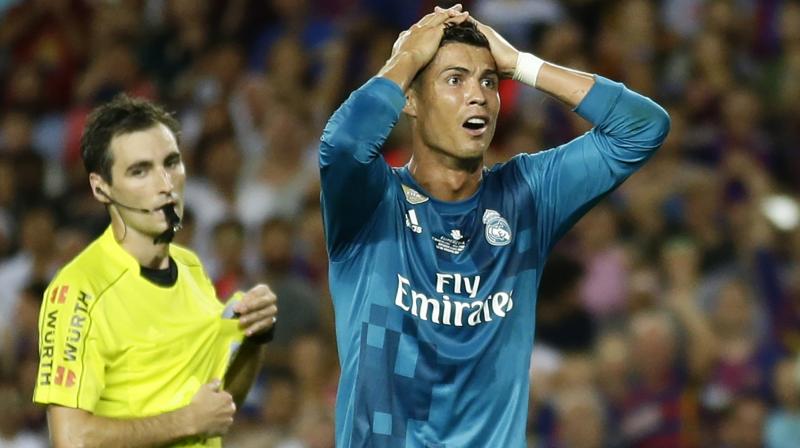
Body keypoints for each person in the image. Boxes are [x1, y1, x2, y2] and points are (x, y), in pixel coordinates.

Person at [319, 4, 670, 447]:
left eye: (488, 81)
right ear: (410, 99)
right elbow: (343, 144)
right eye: (454, 80)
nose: (478, 95)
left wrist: (521, 64)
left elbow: (643, 129)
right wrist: (406, 58)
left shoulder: (526, 197)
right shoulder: (372, 205)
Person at [33, 95, 279, 447]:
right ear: (101, 187)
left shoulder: (191, 269)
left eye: (171, 162)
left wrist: (254, 337)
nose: (164, 184)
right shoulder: (80, 290)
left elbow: (220, 407)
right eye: (139, 171)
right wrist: (185, 421)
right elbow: (71, 438)